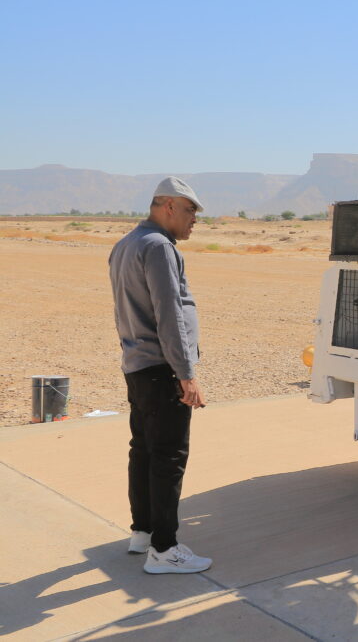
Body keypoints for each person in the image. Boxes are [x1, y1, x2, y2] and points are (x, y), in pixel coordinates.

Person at [109, 176, 212, 574]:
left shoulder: (126, 244)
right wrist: (186, 374)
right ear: (167, 205)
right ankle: (165, 551)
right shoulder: (158, 247)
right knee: (169, 458)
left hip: (137, 366)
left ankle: (143, 533)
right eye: (190, 211)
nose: (194, 220)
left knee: (145, 451)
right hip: (162, 368)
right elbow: (169, 314)